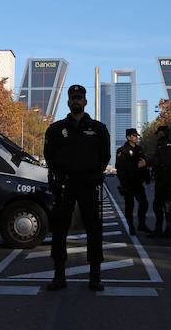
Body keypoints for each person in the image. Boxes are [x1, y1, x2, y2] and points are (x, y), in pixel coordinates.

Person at [43, 84, 110, 292]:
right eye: (73, 98)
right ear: (68, 102)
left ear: (85, 101)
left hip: (89, 183)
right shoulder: (56, 129)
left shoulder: (98, 129)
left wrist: (96, 174)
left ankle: (95, 276)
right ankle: (59, 275)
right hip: (65, 184)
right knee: (60, 230)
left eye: (79, 98)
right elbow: (49, 155)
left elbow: (105, 155)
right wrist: (56, 176)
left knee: (94, 230)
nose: (76, 101)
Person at [115, 128, 151, 236]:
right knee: (129, 206)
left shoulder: (139, 149)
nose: (136, 137)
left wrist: (147, 176)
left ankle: (142, 224)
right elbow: (120, 169)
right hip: (128, 183)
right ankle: (131, 226)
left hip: (138, 182)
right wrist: (123, 184)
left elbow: (144, 163)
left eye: (136, 135)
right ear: (128, 137)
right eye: (134, 135)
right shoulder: (122, 150)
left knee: (144, 203)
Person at [148, 125, 171, 238]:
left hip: (162, 178)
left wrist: (147, 161)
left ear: (162, 133)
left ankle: (158, 229)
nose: (158, 135)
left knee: (158, 205)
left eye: (159, 133)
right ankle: (168, 229)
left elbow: (158, 160)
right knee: (168, 205)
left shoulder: (162, 144)